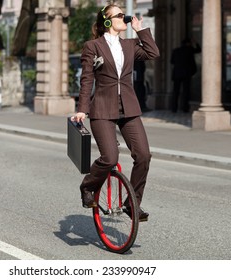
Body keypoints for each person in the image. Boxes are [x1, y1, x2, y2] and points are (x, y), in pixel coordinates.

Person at [71, 4, 160, 222]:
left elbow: (153, 52)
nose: (126, 18)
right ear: (107, 21)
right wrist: (82, 109)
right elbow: (87, 79)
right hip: (102, 109)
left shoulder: (129, 45)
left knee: (144, 156)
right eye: (121, 15)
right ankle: (87, 187)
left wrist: (140, 29)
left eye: (124, 15)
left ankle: (132, 203)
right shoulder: (93, 46)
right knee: (110, 158)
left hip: (129, 108)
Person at [170, 37, 201, 113]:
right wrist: (196, 43)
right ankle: (185, 108)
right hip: (186, 74)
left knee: (176, 91)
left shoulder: (176, 51)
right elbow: (199, 50)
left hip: (177, 74)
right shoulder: (189, 50)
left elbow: (171, 61)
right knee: (186, 91)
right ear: (188, 44)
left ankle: (174, 108)